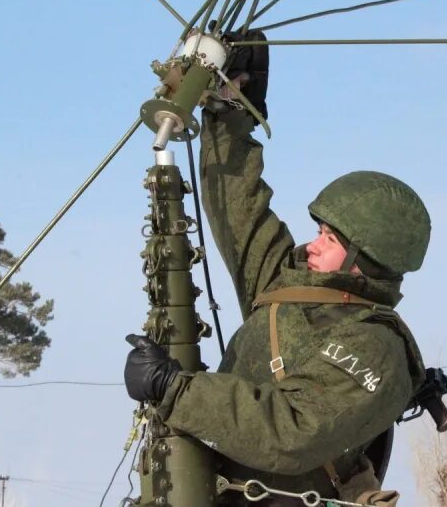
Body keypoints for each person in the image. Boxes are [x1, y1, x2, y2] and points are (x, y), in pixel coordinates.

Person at [124, 32, 429, 505]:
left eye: (329, 239)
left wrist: (176, 391)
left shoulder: (376, 348)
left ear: (364, 261)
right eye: (319, 231)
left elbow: (291, 432)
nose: (311, 245)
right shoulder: (292, 288)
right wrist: (230, 114)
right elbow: (238, 211)